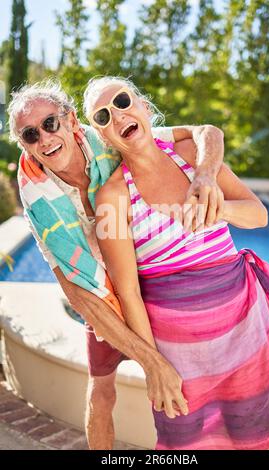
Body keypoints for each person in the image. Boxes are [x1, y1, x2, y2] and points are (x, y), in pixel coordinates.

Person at [8, 79, 225, 450]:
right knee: (102, 392)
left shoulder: (108, 134)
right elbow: (78, 295)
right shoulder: (35, 195)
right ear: (25, 145)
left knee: (194, 391)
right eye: (30, 134)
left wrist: (204, 175)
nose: (44, 139)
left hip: (150, 276)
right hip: (100, 295)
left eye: (50, 124)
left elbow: (206, 132)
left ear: (72, 120)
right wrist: (151, 362)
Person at [85, 76, 269, 450]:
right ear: (104, 138)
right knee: (186, 444)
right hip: (181, 358)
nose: (116, 116)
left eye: (122, 101)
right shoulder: (113, 196)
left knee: (252, 433)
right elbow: (129, 292)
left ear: (143, 106)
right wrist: (154, 367)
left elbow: (258, 215)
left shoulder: (193, 157)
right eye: (102, 116)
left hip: (246, 332)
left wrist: (218, 207)